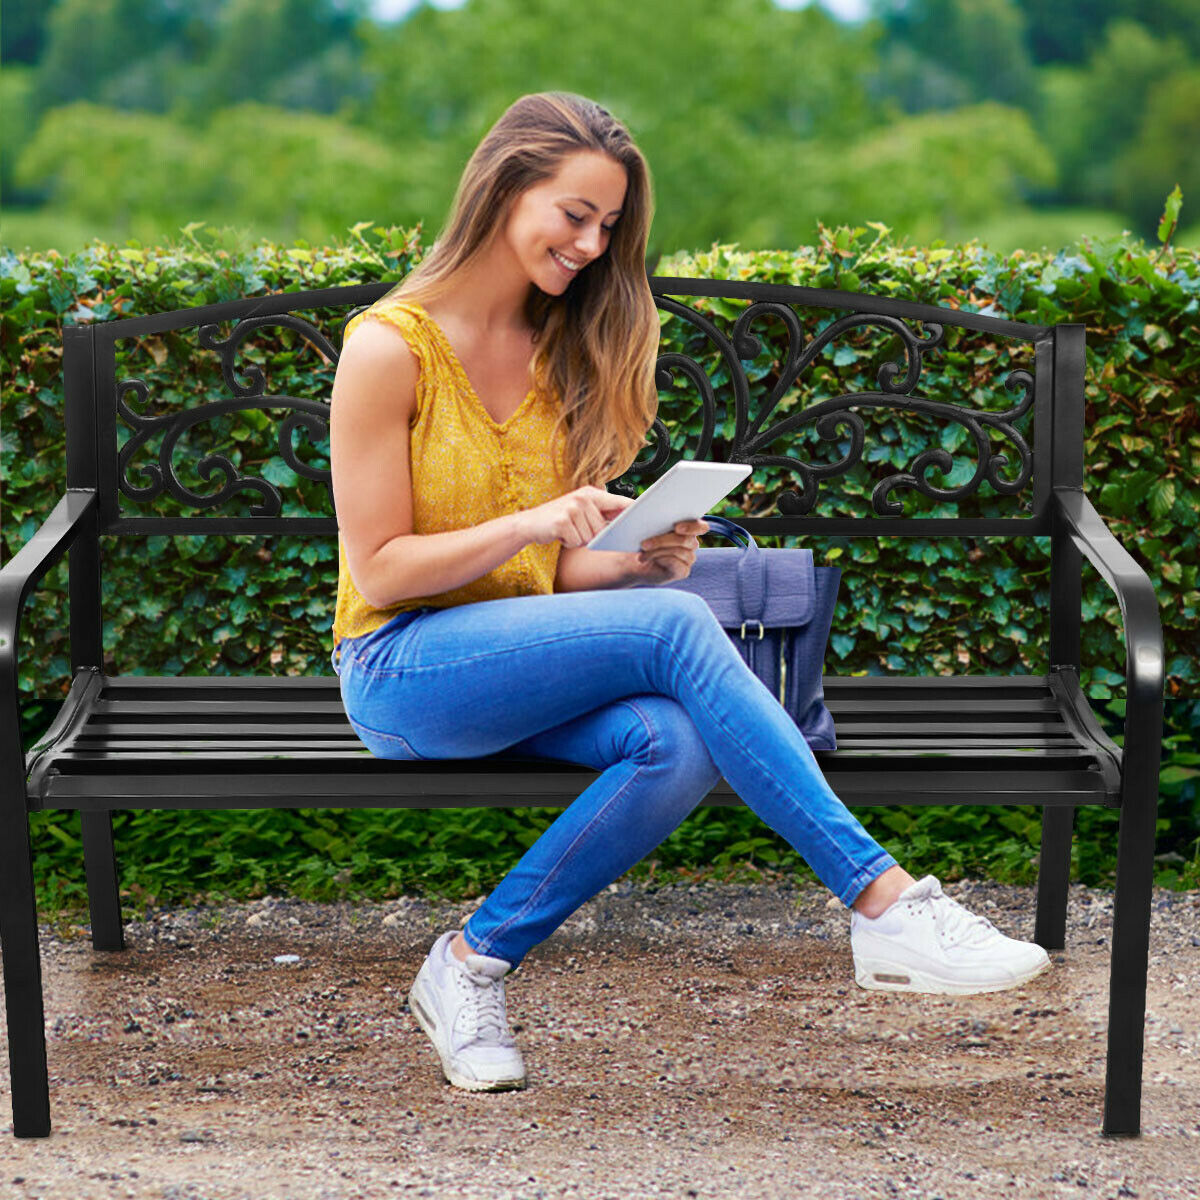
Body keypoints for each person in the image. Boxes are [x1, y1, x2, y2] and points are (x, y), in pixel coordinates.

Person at [328, 91, 1051, 1094]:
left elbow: (544, 578)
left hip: (519, 659)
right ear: (503, 189)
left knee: (676, 737)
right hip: (401, 672)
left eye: (609, 226)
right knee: (676, 627)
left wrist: (634, 562)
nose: (591, 245)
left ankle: (469, 966)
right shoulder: (388, 348)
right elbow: (380, 570)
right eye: (573, 214)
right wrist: (538, 523)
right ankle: (883, 901)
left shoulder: (553, 359)